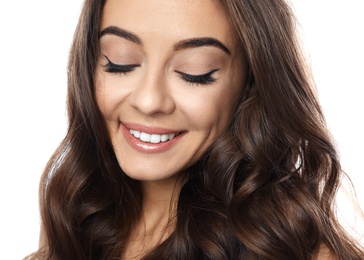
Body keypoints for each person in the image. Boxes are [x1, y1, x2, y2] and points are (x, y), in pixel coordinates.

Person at [27, 0, 364, 259]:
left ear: (251, 83)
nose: (148, 100)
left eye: (194, 72)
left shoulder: (299, 253)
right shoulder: (69, 235)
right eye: (120, 63)